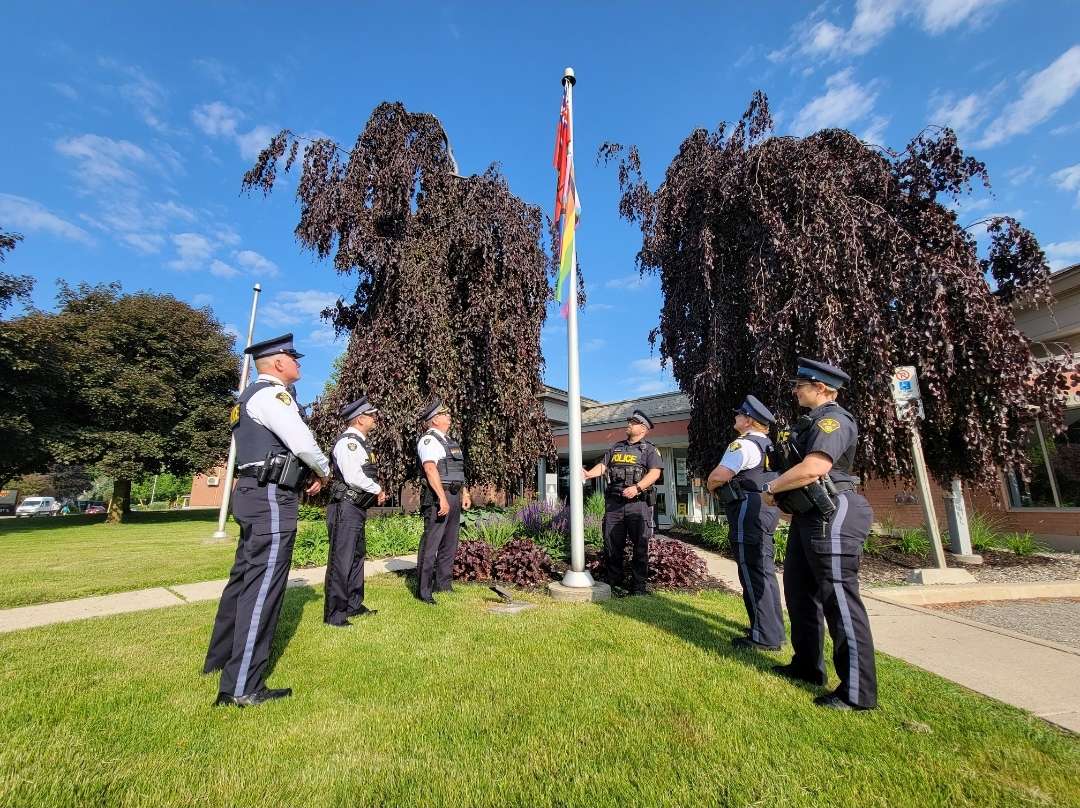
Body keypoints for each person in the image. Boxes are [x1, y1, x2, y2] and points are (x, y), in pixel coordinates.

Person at [203, 333, 330, 708]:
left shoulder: (247, 397)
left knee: (243, 580)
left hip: (252, 493)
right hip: (272, 495)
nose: (299, 365)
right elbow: (302, 442)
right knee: (262, 588)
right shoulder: (274, 396)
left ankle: (220, 660)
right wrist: (324, 469)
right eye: (295, 358)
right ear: (277, 362)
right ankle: (242, 687)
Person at [762, 357, 878, 711]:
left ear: (823, 388)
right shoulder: (808, 422)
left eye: (801, 385)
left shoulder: (833, 420)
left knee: (839, 599)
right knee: (799, 591)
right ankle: (807, 666)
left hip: (834, 511)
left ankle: (857, 693)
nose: (795, 390)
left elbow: (815, 468)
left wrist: (772, 488)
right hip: (808, 515)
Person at [706, 395, 785, 651]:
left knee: (752, 571)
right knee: (763, 570)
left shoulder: (743, 445)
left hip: (747, 510)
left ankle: (764, 636)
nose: (735, 417)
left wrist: (710, 485)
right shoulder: (768, 446)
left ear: (749, 420)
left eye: (739, 414)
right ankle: (771, 628)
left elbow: (720, 475)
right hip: (765, 509)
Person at [583, 409, 662, 595]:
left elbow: (655, 473)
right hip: (614, 505)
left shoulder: (649, 449)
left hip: (638, 504)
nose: (629, 425)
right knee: (612, 544)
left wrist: (637, 487)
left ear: (642, 428)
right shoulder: (616, 448)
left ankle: (638, 587)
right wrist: (588, 474)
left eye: (633, 423)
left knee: (640, 546)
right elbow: (603, 466)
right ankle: (613, 582)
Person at [324, 396, 386, 628]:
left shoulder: (361, 443)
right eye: (371, 415)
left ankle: (353, 604)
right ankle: (335, 614)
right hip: (345, 507)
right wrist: (377, 488)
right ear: (360, 419)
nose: (374, 419)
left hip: (356, 507)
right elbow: (353, 477)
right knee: (342, 559)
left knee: (356, 556)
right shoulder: (348, 443)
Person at [415, 398, 471, 604]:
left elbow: (457, 471)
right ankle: (424, 591)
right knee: (432, 543)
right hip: (440, 496)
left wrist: (464, 493)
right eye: (445, 414)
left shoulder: (450, 442)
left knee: (449, 542)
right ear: (435, 420)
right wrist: (441, 498)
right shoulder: (428, 441)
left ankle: (444, 584)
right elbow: (430, 470)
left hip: (454, 495)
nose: (449, 417)